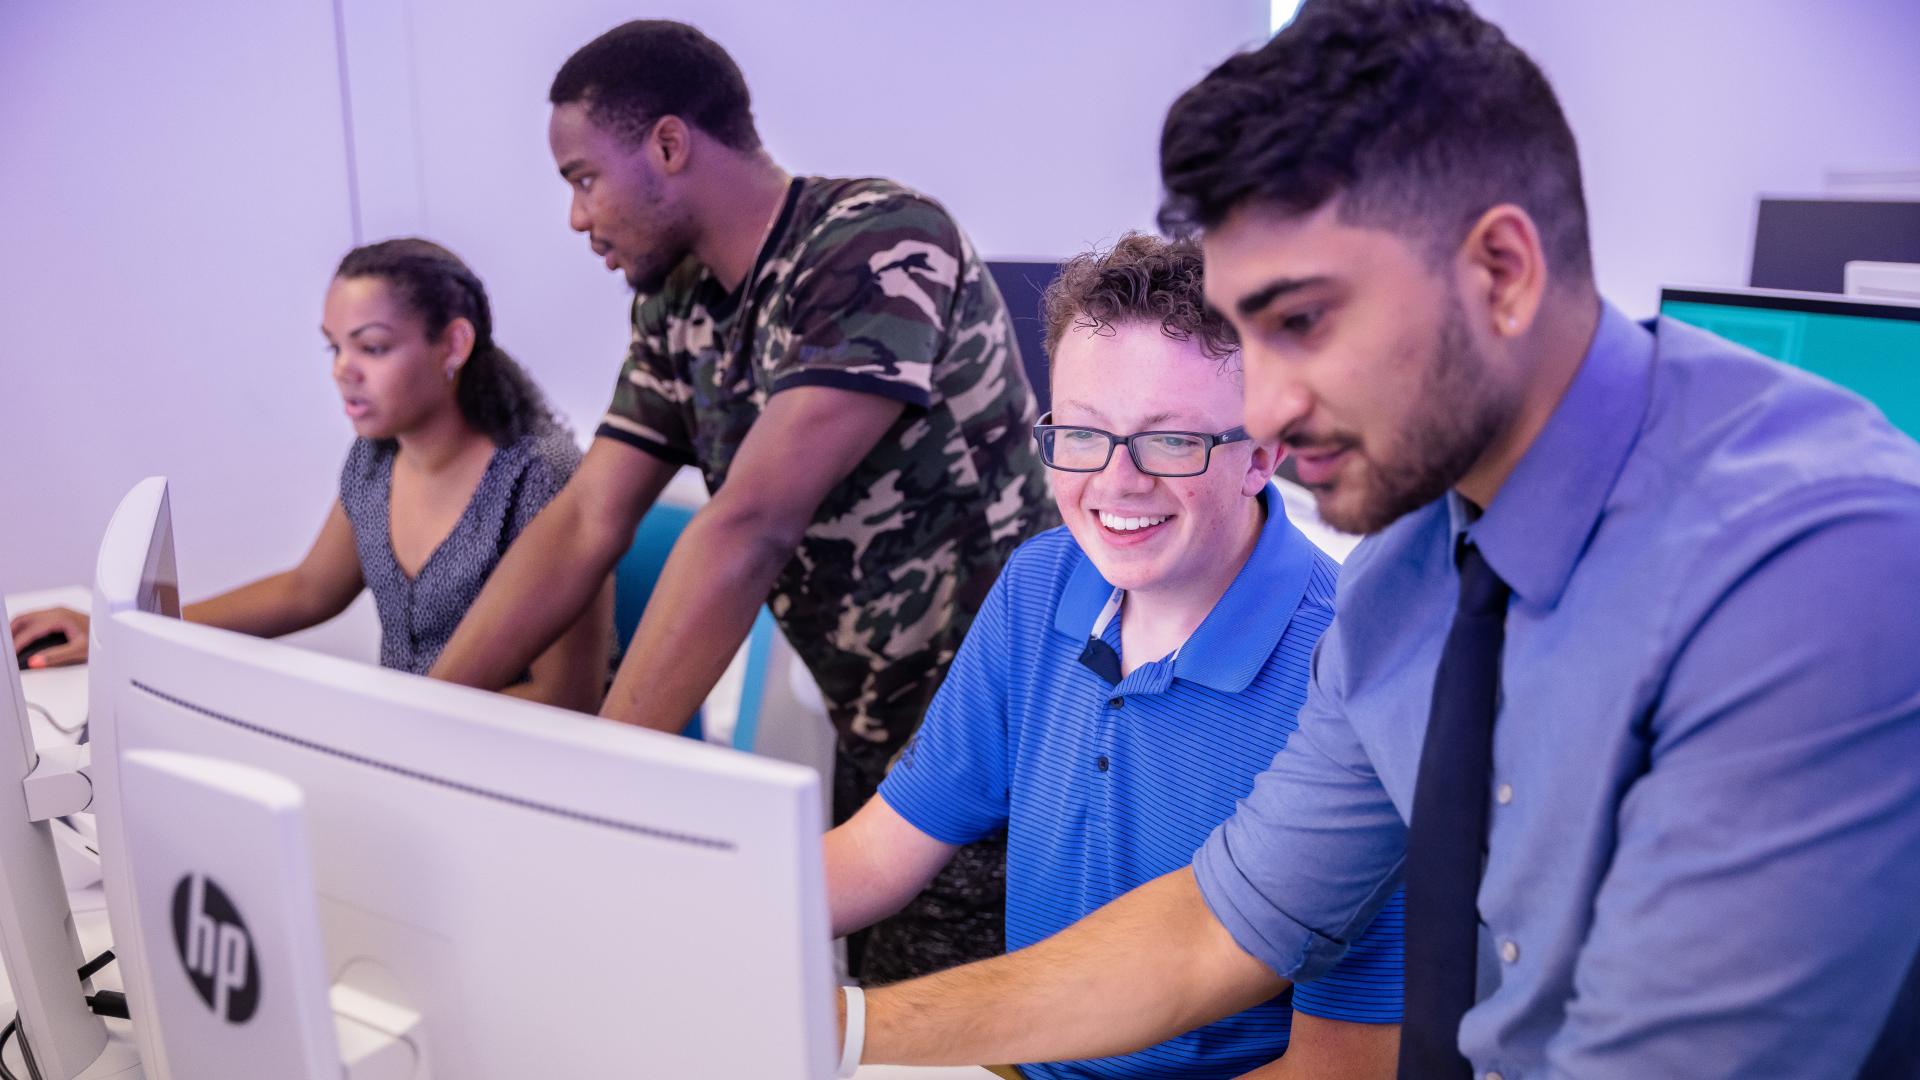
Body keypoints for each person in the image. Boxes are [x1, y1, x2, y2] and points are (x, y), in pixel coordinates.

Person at [832, 1, 1920, 1077]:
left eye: (1301, 323)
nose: (1260, 413)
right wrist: (839, 1037)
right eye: (1246, 332)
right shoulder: (1409, 579)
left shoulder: (1811, 565)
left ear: (1499, 271)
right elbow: (1218, 929)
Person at [423, 20, 1054, 982]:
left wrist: (595, 789)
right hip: (880, 732)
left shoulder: (878, 242)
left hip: (1005, 738)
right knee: (866, 1006)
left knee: (943, 1030)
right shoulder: (678, 301)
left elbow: (751, 525)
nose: (577, 218)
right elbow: (590, 517)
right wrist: (425, 718)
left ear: (669, 146)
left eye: (582, 178)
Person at [823, 233, 1403, 1079]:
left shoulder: (1355, 672)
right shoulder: (1038, 584)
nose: (1117, 483)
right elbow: (881, 853)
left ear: (1266, 453)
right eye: (1084, 434)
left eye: (1171, 442)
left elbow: (1339, 1070)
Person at [11, 239, 609, 712]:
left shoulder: (541, 480)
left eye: (372, 348)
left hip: (509, 777)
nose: (343, 372)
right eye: (334, 349)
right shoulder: (375, 458)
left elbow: (566, 700)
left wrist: (376, 728)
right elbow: (310, 590)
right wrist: (131, 627)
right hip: (407, 756)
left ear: (453, 344)